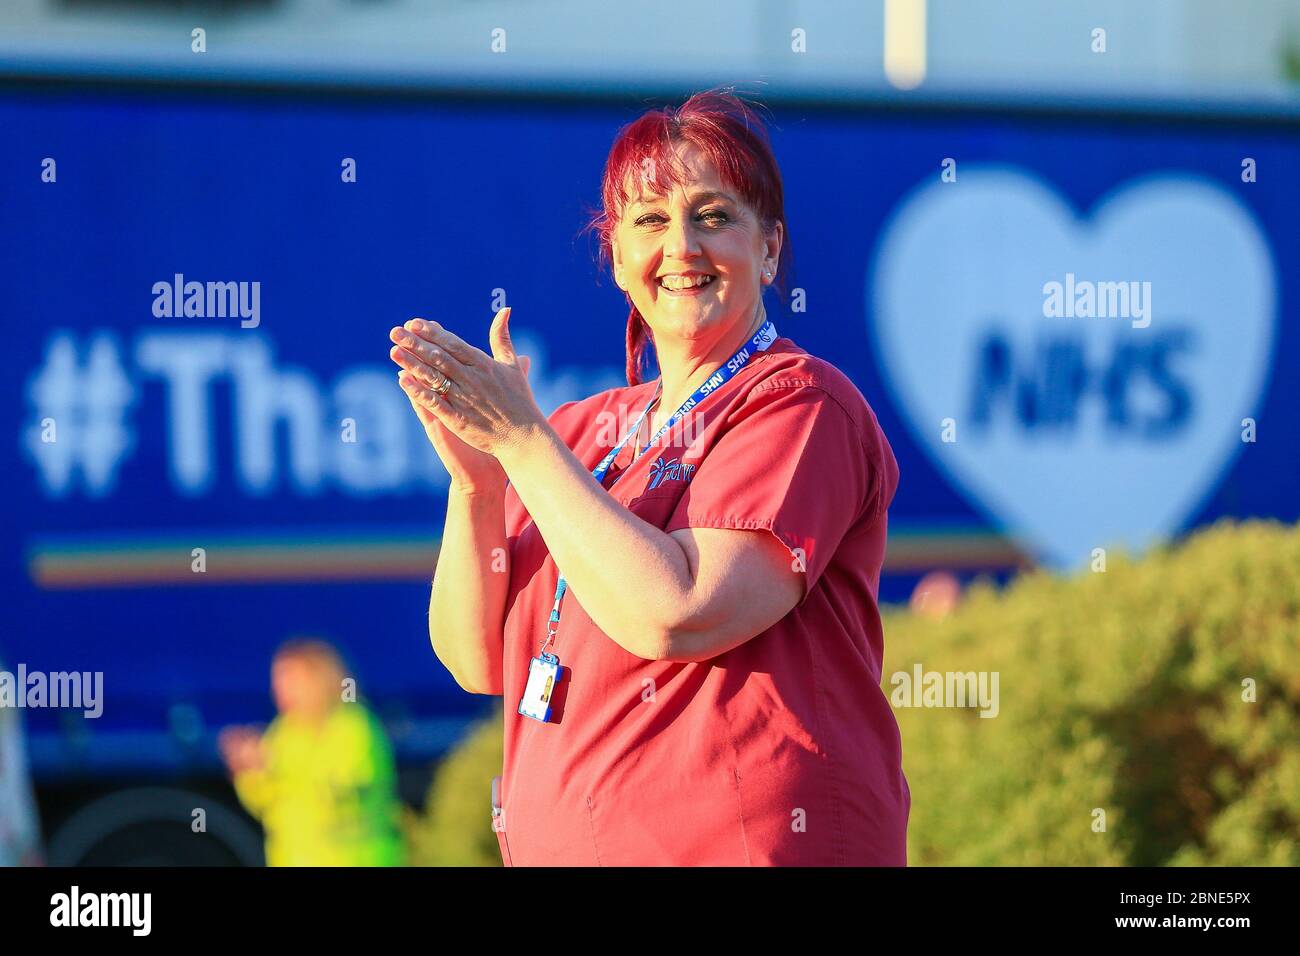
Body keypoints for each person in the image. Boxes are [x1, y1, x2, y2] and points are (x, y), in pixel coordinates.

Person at [388, 89, 909, 866]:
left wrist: (523, 444)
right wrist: (479, 486)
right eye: (651, 221)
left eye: (713, 216)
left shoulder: (800, 403)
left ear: (769, 248)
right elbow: (476, 661)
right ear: (618, 260)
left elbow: (681, 612)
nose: (682, 247)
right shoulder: (579, 432)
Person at [218, 638, 405, 866]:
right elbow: (269, 804)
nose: (280, 690)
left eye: (291, 679)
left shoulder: (354, 726)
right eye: (277, 680)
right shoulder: (284, 731)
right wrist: (250, 771)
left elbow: (343, 791)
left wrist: (277, 767)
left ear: (319, 679)